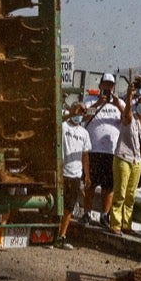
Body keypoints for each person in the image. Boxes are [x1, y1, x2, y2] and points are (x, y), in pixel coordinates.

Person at [111, 93, 141, 234]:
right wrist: (130, 95)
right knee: (120, 192)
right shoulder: (130, 117)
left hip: (137, 161)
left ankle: (126, 224)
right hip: (123, 158)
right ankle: (115, 224)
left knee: (130, 195)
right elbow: (127, 110)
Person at [83, 73, 123, 224]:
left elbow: (127, 118)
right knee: (90, 184)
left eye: (110, 85)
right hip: (93, 150)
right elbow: (83, 116)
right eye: (105, 84)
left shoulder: (119, 104)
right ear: (100, 86)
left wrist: (118, 104)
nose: (107, 87)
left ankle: (104, 215)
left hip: (111, 152)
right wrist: (98, 104)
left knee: (108, 187)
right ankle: (87, 212)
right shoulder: (90, 100)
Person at [56, 102, 90, 249]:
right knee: (57, 207)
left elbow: (85, 155)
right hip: (61, 173)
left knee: (69, 207)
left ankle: (61, 236)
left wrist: (87, 175)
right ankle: (52, 235)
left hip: (76, 175)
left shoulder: (84, 133)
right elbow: (57, 121)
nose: (79, 115)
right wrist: (71, 112)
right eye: (77, 111)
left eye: (82, 112)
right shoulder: (63, 126)